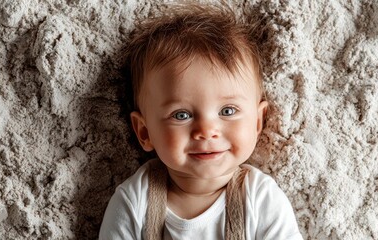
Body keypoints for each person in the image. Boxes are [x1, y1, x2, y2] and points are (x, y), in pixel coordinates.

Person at [100, 3, 302, 240]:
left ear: (257, 123)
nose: (206, 131)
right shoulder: (135, 202)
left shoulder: (260, 199)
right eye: (181, 115)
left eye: (227, 111)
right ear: (145, 132)